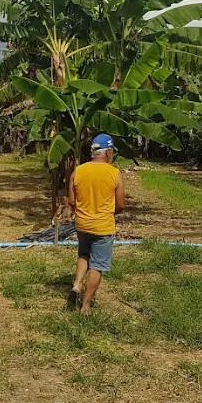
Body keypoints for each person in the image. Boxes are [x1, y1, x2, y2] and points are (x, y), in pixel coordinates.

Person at [68, 133, 126, 313]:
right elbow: (121, 204)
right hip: (102, 227)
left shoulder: (78, 171)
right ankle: (85, 306)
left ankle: (77, 284)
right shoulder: (114, 173)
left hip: (82, 224)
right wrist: (108, 213)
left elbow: (71, 201)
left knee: (84, 254)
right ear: (108, 153)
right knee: (98, 265)